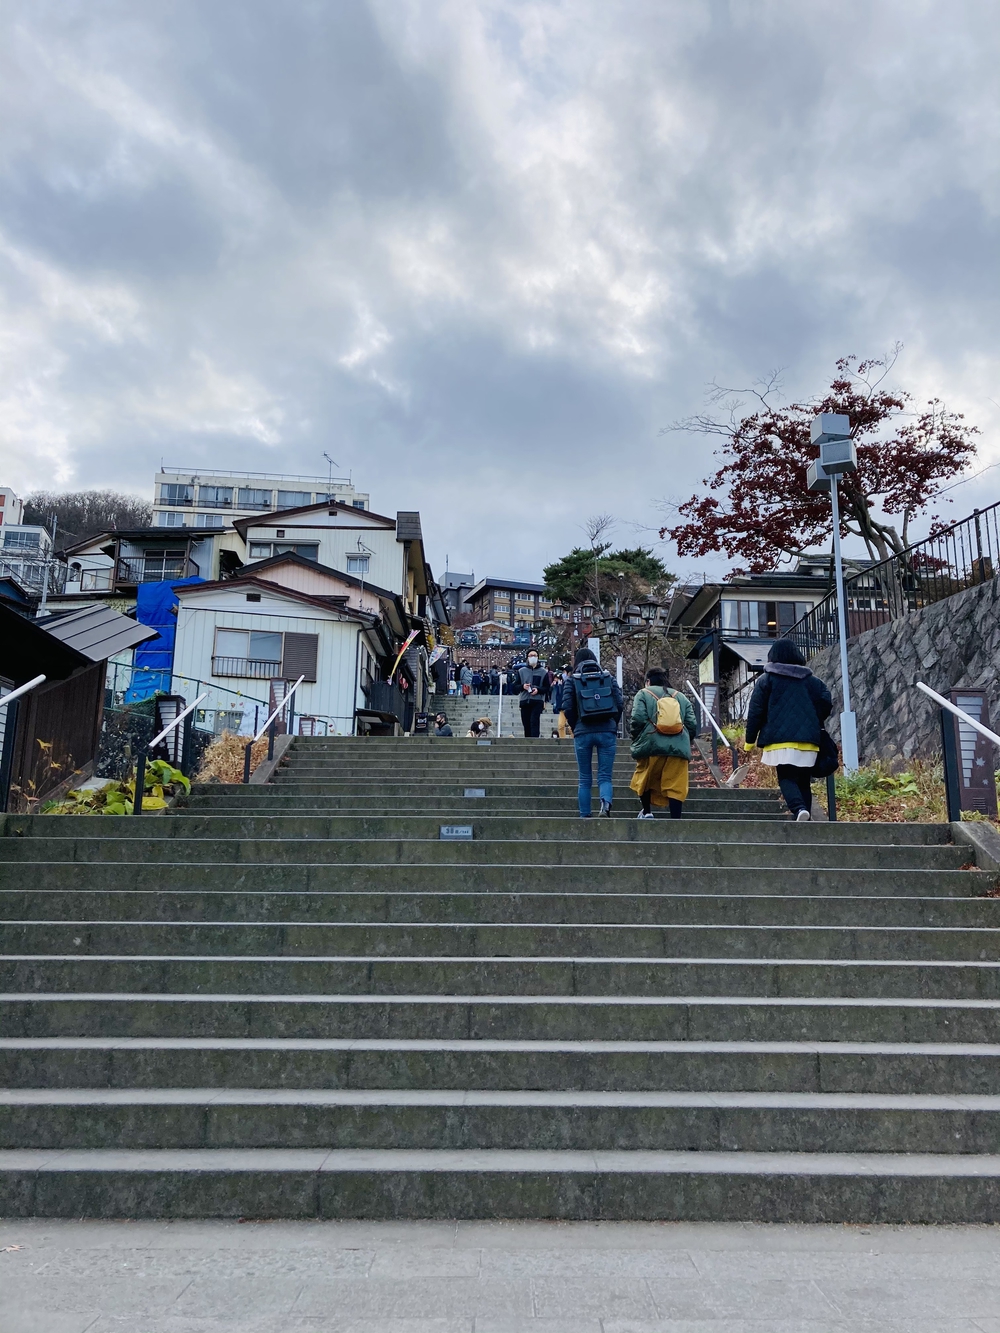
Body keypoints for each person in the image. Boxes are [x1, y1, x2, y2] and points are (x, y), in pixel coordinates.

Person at [745, 638, 833, 822]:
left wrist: (749, 741)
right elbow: (826, 701)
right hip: (809, 740)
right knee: (803, 781)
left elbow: (755, 711)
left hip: (779, 740)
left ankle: (799, 809)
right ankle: (805, 820)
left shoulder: (767, 680)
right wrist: (813, 719)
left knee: (786, 777)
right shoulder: (812, 681)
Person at [561, 646, 623, 817]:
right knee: (605, 776)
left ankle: (585, 815)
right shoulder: (608, 677)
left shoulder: (572, 680)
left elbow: (567, 707)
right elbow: (619, 703)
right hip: (606, 731)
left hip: (583, 732)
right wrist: (612, 724)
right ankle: (605, 803)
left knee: (584, 778)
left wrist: (576, 727)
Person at [628, 668, 698, 819]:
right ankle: (675, 819)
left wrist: (637, 737)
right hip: (678, 748)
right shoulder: (681, 697)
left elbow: (637, 719)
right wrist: (685, 740)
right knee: (676, 785)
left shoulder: (643, 693)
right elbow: (692, 724)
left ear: (648, 681)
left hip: (651, 746)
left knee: (645, 778)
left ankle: (647, 812)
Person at [517, 650, 550, 737]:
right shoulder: (521, 671)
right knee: (526, 723)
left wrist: (538, 690)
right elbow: (515, 686)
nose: (533, 657)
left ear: (538, 657)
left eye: (535, 655)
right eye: (530, 655)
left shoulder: (543, 672)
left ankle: (535, 741)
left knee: (534, 721)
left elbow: (547, 687)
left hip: (537, 701)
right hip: (525, 700)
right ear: (527, 657)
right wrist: (523, 686)